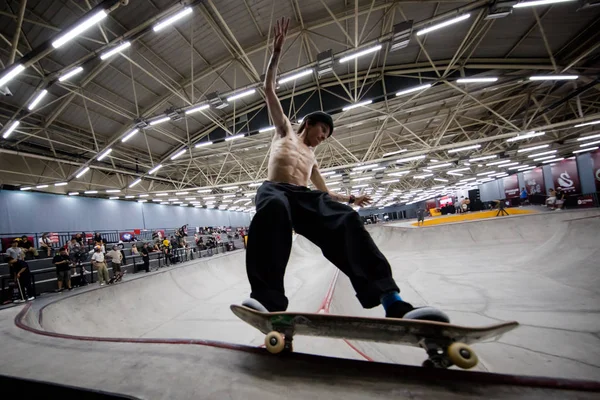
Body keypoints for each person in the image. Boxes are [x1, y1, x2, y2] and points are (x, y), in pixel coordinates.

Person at [242, 17, 447, 323]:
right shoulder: (284, 132)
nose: (323, 137)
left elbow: (324, 193)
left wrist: (351, 200)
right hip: (275, 191)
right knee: (273, 209)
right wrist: (275, 55)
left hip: (303, 197)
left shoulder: (312, 158)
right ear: (309, 123)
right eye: (322, 130)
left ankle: (391, 300)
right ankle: (267, 301)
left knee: (347, 221)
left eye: (327, 134)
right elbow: (269, 90)